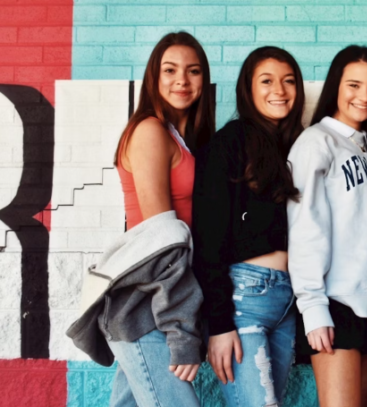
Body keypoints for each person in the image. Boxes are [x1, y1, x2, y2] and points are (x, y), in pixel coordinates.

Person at [74, 31, 214, 407]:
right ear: (153, 77)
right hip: (143, 309)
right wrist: (181, 332)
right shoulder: (150, 131)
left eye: (193, 70)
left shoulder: (179, 138)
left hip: (152, 305)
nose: (182, 80)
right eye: (170, 70)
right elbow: (161, 244)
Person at [193, 46, 305, 407]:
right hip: (244, 298)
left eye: (289, 81)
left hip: (289, 302)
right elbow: (208, 240)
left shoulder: (300, 145)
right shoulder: (229, 143)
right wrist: (220, 323)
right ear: (248, 88)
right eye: (267, 81)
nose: (280, 90)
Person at [287, 45, 367, 407]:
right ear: (336, 85)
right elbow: (305, 228)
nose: (364, 97)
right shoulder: (315, 142)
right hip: (335, 304)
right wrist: (313, 306)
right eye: (354, 85)